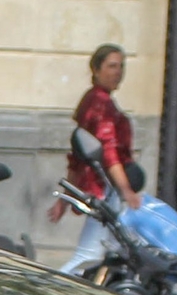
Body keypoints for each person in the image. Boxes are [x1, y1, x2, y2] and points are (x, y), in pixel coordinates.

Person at [58, 44, 140, 275]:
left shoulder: (96, 100)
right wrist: (126, 190)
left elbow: (77, 155)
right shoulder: (100, 104)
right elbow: (107, 151)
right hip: (105, 190)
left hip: (104, 188)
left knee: (120, 251)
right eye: (111, 66)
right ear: (95, 69)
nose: (118, 72)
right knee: (89, 254)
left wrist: (65, 199)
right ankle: (46, 292)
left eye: (121, 66)